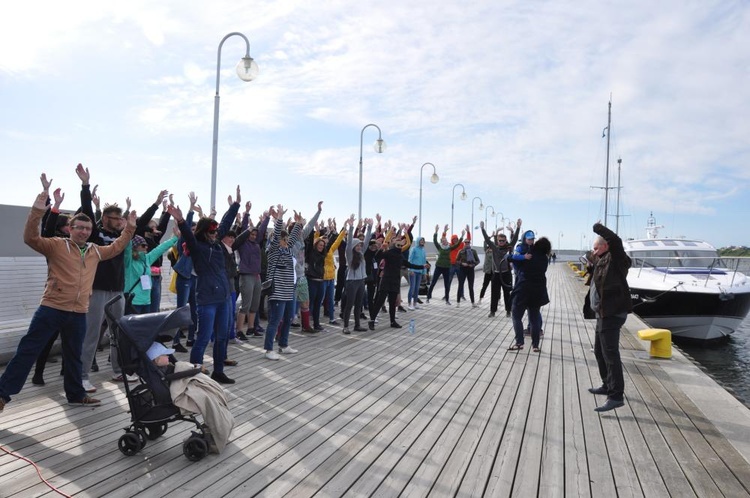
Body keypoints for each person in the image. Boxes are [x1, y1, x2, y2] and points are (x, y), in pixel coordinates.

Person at [0, 189, 135, 412]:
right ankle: (2, 394)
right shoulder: (55, 245)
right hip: (52, 308)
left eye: (87, 228)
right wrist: (37, 211)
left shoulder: (95, 251)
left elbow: (118, 246)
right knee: (28, 351)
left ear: (92, 231)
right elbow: (30, 238)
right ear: (70, 229)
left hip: (79, 312)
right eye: (79, 227)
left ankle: (75, 394)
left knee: (74, 355)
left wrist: (129, 226)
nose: (83, 232)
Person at [167, 187, 241, 384]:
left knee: (222, 336)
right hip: (207, 300)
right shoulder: (197, 247)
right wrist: (182, 220)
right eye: (211, 231)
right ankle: (194, 375)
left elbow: (225, 224)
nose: (215, 233)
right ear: (203, 232)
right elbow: (188, 236)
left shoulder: (216, 244)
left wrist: (236, 205)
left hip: (224, 297)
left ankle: (218, 371)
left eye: (215, 231)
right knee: (203, 338)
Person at [147, 342, 234, 453]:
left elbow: (177, 369)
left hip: (178, 383)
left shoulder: (166, 367)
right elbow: (173, 379)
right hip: (175, 391)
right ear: (156, 360)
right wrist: (192, 370)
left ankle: (217, 428)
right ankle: (217, 430)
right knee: (206, 399)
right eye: (165, 355)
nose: (168, 356)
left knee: (211, 394)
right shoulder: (158, 372)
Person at [588, 222, 632, 412]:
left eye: (596, 247)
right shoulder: (602, 259)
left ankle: (615, 396)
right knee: (599, 351)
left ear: (606, 246)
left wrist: (597, 227)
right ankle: (607, 384)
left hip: (613, 313)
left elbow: (616, 240)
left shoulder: (616, 258)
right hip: (603, 313)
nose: (593, 250)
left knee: (611, 354)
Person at [262, 205, 302, 360]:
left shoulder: (287, 250)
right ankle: (268, 349)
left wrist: (298, 224)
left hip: (289, 290)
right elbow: (278, 232)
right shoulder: (272, 252)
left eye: (285, 239)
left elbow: (292, 238)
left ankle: (283, 345)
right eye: (281, 239)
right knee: (275, 320)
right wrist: (279, 218)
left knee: (289, 318)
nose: (285, 240)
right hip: (277, 291)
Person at [507, 236, 551, 352]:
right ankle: (535, 345)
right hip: (537, 291)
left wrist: (511, 255)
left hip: (523, 289)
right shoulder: (545, 259)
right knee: (534, 318)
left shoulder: (529, 253)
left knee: (516, 316)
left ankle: (519, 342)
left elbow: (511, 259)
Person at [480, 219, 521, 318]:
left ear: (505, 241)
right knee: (494, 293)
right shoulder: (494, 248)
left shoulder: (509, 247)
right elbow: (487, 239)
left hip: (506, 273)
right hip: (496, 274)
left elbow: (515, 239)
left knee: (507, 293)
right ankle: (492, 311)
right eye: (500, 241)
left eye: (503, 240)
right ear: (497, 241)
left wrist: (518, 227)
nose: (501, 242)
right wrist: (482, 229)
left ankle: (508, 310)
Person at [341, 216, 373, 334]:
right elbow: (349, 243)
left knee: (359, 304)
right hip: (352, 282)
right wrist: (351, 227)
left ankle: (357, 325)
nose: (360, 247)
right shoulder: (349, 255)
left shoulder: (361, 254)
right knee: (350, 304)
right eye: (357, 245)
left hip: (361, 281)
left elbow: (367, 241)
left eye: (360, 245)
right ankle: (345, 326)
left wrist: (369, 227)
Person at [425, 224, 464, 305]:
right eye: (443, 240)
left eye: (445, 240)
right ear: (442, 242)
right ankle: (428, 297)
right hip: (439, 267)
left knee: (446, 284)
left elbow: (457, 244)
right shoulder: (440, 247)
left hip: (447, 268)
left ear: (447, 241)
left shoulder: (450, 247)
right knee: (433, 283)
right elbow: (435, 241)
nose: (444, 241)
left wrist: (462, 236)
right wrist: (436, 232)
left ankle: (447, 300)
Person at [456, 238, 480, 307]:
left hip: (470, 269)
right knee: (460, 285)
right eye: (465, 242)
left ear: (470, 243)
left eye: (468, 242)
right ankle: (458, 302)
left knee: (471, 286)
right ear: (464, 243)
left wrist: (473, 264)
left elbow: (478, 261)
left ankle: (473, 303)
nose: (467, 243)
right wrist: (462, 263)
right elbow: (457, 261)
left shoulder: (473, 251)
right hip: (463, 269)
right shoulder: (461, 251)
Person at [407, 236, 428, 310]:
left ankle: (415, 303)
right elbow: (410, 260)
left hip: (420, 272)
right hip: (413, 271)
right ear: (418, 241)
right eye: (421, 240)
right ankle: (409, 304)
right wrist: (410, 270)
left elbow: (424, 262)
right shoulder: (414, 249)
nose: (422, 242)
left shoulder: (423, 250)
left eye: (423, 241)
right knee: (412, 288)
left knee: (417, 288)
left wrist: (424, 272)